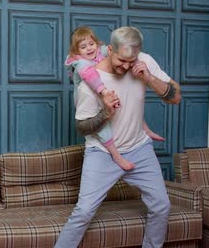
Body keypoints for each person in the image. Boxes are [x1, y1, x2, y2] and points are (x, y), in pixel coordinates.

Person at [41, 26, 182, 248]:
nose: (126, 67)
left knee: (162, 205)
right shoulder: (89, 82)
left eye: (132, 61)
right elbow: (83, 127)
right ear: (109, 50)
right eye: (121, 61)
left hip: (139, 149)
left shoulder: (145, 63)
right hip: (102, 153)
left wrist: (149, 77)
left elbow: (175, 96)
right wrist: (105, 113)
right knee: (83, 212)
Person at [65, 26, 165, 171]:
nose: (89, 49)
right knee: (104, 128)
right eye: (83, 47)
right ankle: (116, 156)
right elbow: (91, 77)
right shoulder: (81, 63)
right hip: (91, 96)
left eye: (91, 44)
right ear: (76, 51)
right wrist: (105, 92)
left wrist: (126, 48)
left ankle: (146, 129)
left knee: (129, 105)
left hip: (101, 94)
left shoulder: (100, 51)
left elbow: (117, 49)